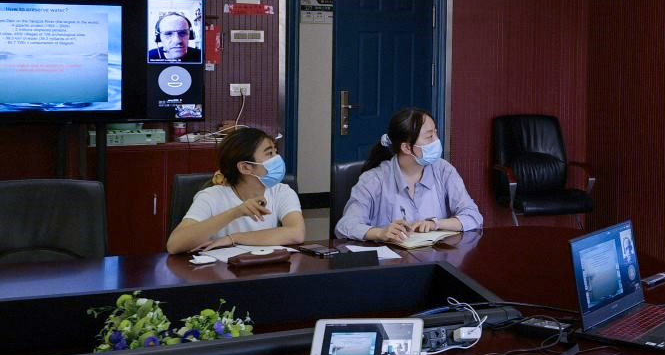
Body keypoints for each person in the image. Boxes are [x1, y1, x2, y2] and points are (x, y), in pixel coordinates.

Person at [334, 106, 482, 244]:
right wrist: (380, 233)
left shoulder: (443, 170)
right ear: (406, 147)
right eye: (429, 136)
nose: (437, 141)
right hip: (391, 260)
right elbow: (345, 226)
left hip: (436, 257)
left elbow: (473, 216)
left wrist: (435, 224)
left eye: (435, 133)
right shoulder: (374, 179)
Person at [166, 127, 304, 253]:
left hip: (266, 267)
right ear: (245, 168)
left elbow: (296, 233)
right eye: (269, 153)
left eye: (275, 151)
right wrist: (236, 212)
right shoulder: (211, 196)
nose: (277, 158)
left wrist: (233, 238)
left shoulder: (282, 192)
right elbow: (174, 244)